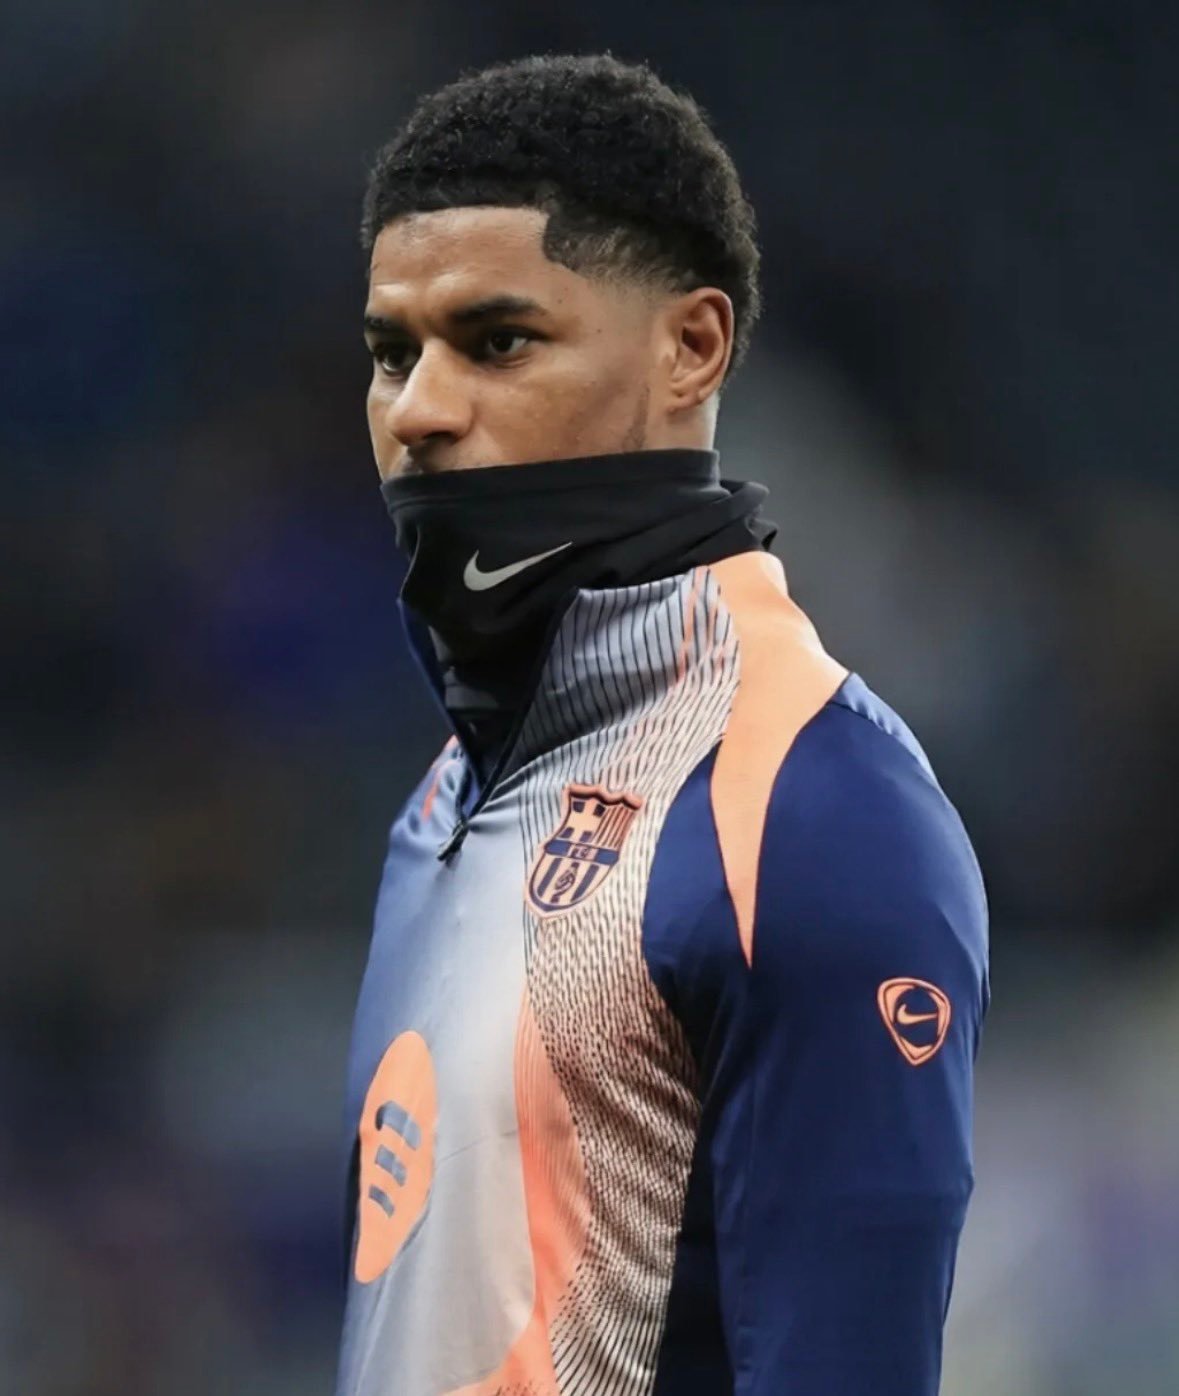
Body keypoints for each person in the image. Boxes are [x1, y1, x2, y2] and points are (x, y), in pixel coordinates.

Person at [337, 52, 989, 1396]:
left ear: (692, 348)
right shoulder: (445, 797)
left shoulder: (807, 813)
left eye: (497, 341)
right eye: (392, 353)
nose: (419, 411)